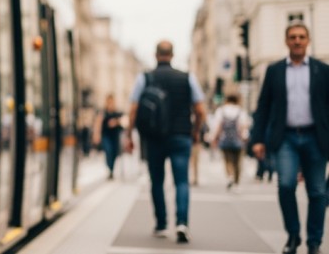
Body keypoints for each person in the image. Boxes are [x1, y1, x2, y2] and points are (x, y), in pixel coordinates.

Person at [250, 22, 329, 254]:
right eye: (293, 37)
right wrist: (257, 139)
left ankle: (314, 241)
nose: (297, 41)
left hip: (316, 137)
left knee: (317, 191)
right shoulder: (274, 71)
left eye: (301, 37)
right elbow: (263, 105)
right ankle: (293, 236)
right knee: (285, 185)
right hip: (285, 138)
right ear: (286, 41)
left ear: (308, 41)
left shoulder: (322, 70)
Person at [124, 40, 206, 244]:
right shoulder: (187, 78)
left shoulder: (145, 78)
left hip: (154, 138)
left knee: (157, 181)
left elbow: (133, 109)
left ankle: (161, 224)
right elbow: (200, 110)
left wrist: (129, 134)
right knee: (181, 181)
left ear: (155, 55)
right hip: (181, 136)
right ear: (172, 54)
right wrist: (195, 131)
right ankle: (182, 223)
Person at [210, 93, 249, 191]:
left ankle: (230, 176)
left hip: (225, 139)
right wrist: (244, 137)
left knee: (228, 160)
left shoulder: (221, 111)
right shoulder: (240, 111)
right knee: (238, 162)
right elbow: (243, 126)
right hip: (238, 140)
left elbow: (218, 126)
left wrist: (214, 138)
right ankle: (236, 182)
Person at [93, 94, 124, 180]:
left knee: (114, 153)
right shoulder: (103, 112)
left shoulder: (117, 113)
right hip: (106, 136)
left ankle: (111, 170)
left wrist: (116, 122)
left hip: (115, 136)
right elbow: (98, 123)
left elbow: (124, 121)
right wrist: (96, 135)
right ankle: (109, 168)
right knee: (108, 151)